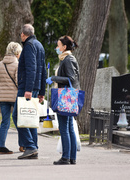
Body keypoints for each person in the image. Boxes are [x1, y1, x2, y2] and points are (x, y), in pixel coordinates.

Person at [12, 24, 46, 159]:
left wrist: (28, 90)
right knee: (30, 117)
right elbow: (42, 70)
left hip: (27, 87)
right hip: (34, 87)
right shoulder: (39, 45)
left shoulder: (28, 46)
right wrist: (41, 91)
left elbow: (31, 69)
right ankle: (33, 149)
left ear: (22, 34)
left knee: (18, 116)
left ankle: (30, 146)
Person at [46, 35, 80, 165]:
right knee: (69, 127)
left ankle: (66, 157)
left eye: (58, 45)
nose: (57, 48)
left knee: (64, 128)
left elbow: (71, 79)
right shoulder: (67, 58)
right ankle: (71, 157)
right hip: (68, 97)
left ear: (64, 47)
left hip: (65, 97)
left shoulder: (68, 59)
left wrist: (54, 78)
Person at [0, 42, 22, 154]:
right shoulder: (17, 64)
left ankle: (0, 146)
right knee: (19, 121)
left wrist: (2, 88)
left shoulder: (0, 64)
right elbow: (19, 82)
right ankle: (23, 144)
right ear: (17, 52)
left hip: (3, 98)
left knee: (5, 122)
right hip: (14, 97)